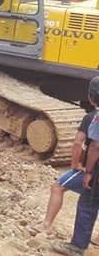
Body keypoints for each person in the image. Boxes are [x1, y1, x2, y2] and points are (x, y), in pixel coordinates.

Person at [32, 76, 99, 236]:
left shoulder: (91, 118)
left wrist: (76, 165)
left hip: (93, 168)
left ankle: (46, 225)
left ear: (90, 97)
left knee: (58, 186)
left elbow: (78, 143)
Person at [53, 77, 99, 256]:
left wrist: (88, 171)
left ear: (91, 97)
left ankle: (77, 246)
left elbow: (95, 146)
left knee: (87, 204)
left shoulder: (94, 118)